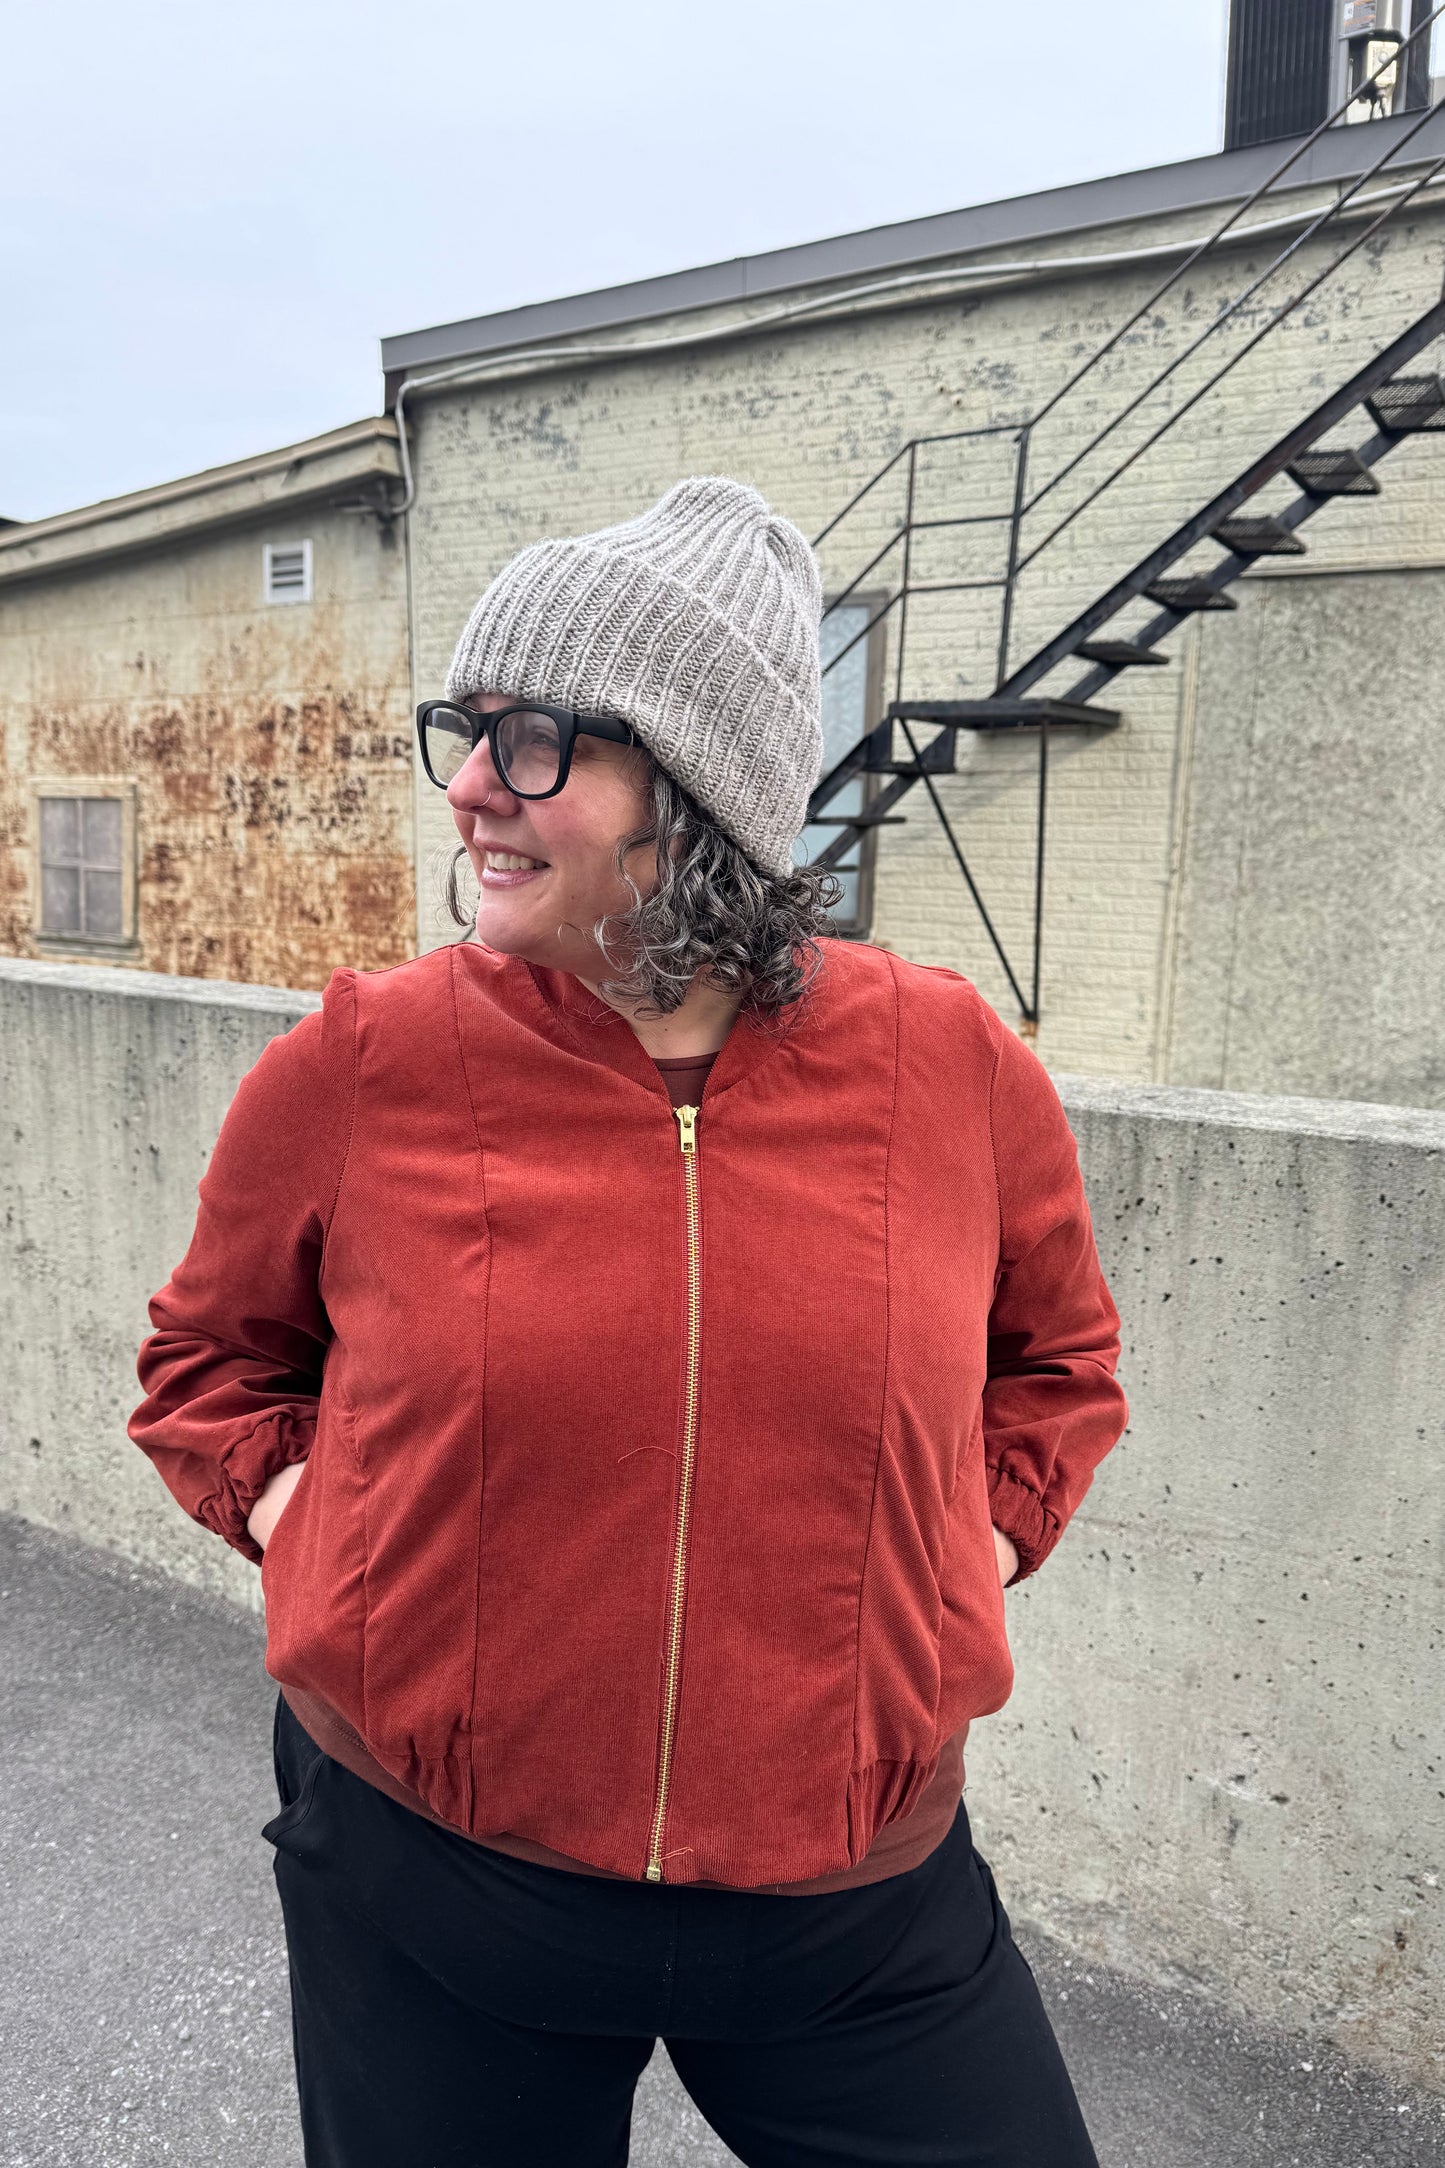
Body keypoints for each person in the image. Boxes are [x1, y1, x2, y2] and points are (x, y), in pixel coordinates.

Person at [128, 476, 1129, 2168]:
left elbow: (1054, 1362)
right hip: (434, 1880)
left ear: (698, 789)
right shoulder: (363, 1063)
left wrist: (964, 1554)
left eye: (537, 744)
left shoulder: (948, 1064)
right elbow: (209, 1366)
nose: (468, 788)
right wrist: (322, 1526)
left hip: (853, 1906)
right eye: (467, 730)